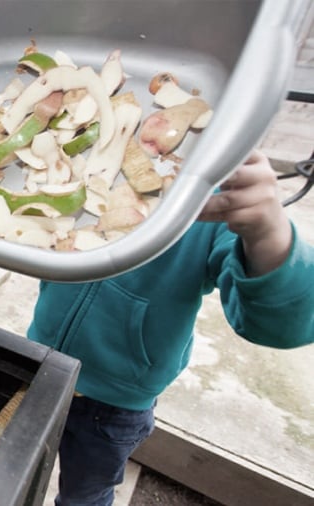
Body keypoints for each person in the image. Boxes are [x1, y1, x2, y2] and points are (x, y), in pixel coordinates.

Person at [26, 149, 314, 506]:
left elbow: (285, 322)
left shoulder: (213, 194)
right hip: (40, 364)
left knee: (85, 495)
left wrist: (268, 233)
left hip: (114, 406)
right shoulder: (94, 151)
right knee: (17, 469)